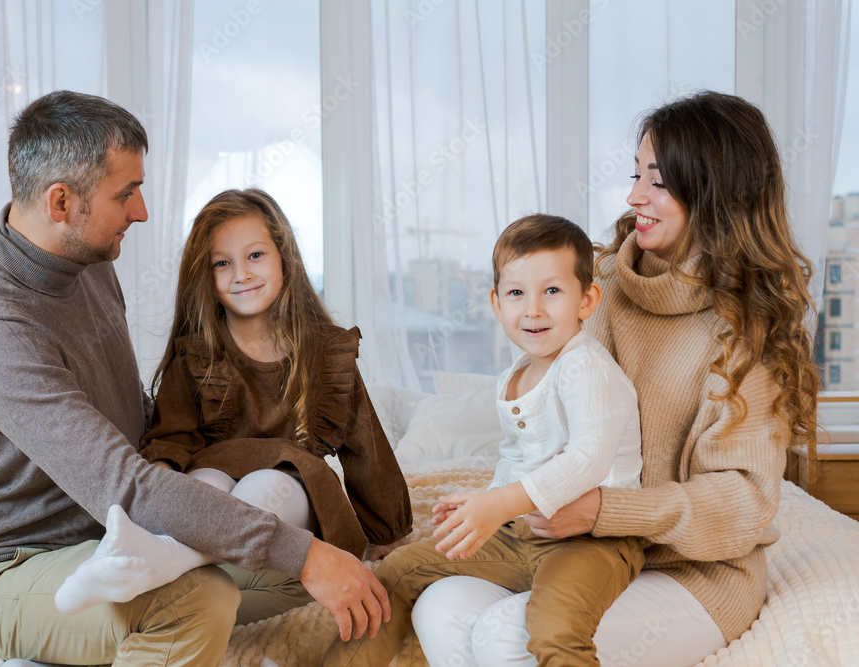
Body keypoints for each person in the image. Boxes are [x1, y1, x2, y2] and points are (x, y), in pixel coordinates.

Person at [0, 90, 392, 667]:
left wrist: (305, 546)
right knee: (198, 596)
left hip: (119, 536)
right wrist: (302, 554)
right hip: (17, 564)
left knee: (325, 572)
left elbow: (144, 426)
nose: (142, 211)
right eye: (126, 193)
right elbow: (124, 485)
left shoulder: (90, 263)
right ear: (60, 203)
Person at [408, 91, 821, 666]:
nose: (633, 198)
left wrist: (607, 511)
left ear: (716, 190)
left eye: (657, 181)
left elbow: (745, 503)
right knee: (441, 600)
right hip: (574, 552)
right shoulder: (595, 282)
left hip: (689, 572)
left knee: (509, 634)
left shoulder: (746, 332)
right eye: (635, 175)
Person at [55, 188, 413, 622]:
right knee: (202, 483)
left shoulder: (326, 353)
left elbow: (366, 447)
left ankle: (159, 560)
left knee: (264, 487)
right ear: (206, 276)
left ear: (285, 257)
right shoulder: (197, 354)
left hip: (292, 497)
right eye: (222, 263)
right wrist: (156, 504)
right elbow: (173, 438)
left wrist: (388, 532)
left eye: (256, 255)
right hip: (217, 486)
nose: (241, 273)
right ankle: (150, 549)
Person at [324, 214, 646, 666]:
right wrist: (486, 504)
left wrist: (500, 505)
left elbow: (588, 460)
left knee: (555, 626)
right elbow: (518, 458)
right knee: (398, 570)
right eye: (517, 293)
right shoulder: (516, 374)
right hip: (523, 532)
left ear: (587, 300)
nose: (532, 309)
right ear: (496, 303)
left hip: (593, 540)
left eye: (552, 291)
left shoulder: (585, 367)